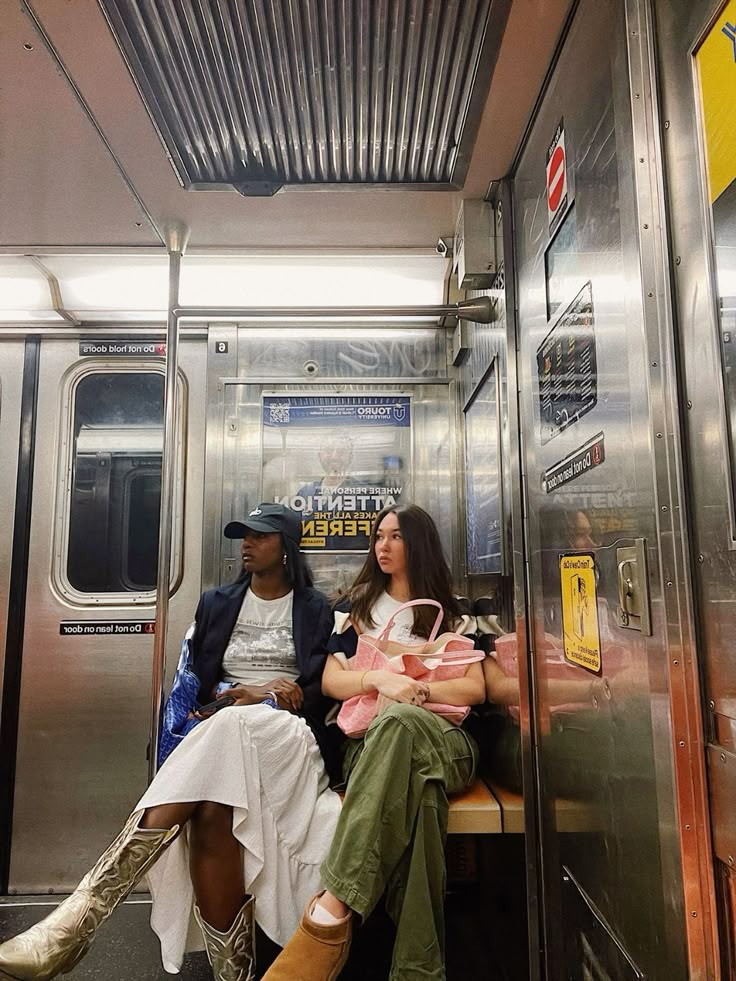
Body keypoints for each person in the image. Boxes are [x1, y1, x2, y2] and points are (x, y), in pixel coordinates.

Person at [0, 504, 341, 981]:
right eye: (242, 535)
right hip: (222, 724)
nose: (245, 544)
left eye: (259, 537)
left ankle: (78, 919)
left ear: (284, 548)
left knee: (232, 726)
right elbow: (194, 688)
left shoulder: (316, 610)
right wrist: (224, 704)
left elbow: (322, 687)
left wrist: (264, 693)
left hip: (286, 730)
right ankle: (232, 974)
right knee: (209, 810)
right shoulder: (217, 602)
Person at [263, 503, 485, 981]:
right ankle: (418, 971)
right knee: (420, 800)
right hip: (372, 746)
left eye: (396, 537)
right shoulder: (357, 609)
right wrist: (382, 683)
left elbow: (474, 689)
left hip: (448, 744)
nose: (383, 546)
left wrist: (413, 692)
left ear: (418, 543)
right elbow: (330, 682)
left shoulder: (455, 612)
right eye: (378, 536)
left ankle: (332, 906)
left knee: (403, 723)